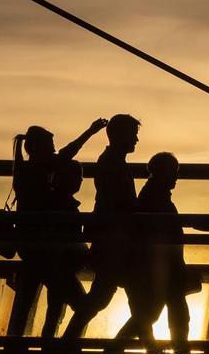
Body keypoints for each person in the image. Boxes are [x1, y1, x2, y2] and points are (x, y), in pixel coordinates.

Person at [5, 120, 107, 339]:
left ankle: (17, 343)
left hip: (31, 247)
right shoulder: (39, 171)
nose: (54, 151)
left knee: (27, 301)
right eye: (50, 147)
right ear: (39, 149)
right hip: (42, 248)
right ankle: (61, 344)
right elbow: (67, 153)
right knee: (78, 304)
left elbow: (63, 155)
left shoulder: (25, 171)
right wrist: (90, 131)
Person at [62, 114, 141, 340]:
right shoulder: (113, 163)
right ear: (119, 135)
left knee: (103, 297)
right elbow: (122, 203)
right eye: (133, 135)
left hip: (112, 240)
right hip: (113, 241)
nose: (136, 140)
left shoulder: (110, 160)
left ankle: (69, 340)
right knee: (107, 297)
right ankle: (71, 341)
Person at [109, 152, 193, 354]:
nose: (176, 177)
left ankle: (120, 348)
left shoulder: (152, 195)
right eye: (174, 172)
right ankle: (116, 348)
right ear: (163, 173)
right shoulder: (156, 199)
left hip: (159, 268)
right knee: (156, 315)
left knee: (153, 315)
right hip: (159, 269)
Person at [40, 159, 89, 338]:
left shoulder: (53, 201)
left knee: (54, 312)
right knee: (84, 309)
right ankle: (69, 345)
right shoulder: (64, 205)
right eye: (77, 176)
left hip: (55, 268)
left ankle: (52, 347)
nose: (80, 181)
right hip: (61, 269)